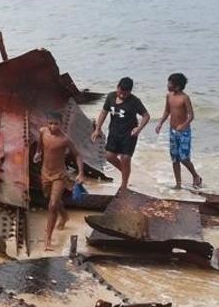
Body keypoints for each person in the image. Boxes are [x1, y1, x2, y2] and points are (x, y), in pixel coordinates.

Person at [33, 112, 86, 252]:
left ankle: (48, 239)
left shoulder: (65, 140)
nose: (53, 126)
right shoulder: (43, 132)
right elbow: (40, 145)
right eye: (50, 123)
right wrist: (38, 153)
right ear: (47, 123)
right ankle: (64, 215)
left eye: (56, 124)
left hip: (59, 175)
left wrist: (81, 172)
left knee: (52, 205)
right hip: (45, 173)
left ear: (61, 124)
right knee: (53, 200)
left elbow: (78, 155)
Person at [91, 77, 149, 188]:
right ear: (117, 87)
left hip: (129, 134)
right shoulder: (111, 96)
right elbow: (104, 112)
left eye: (125, 94)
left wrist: (139, 128)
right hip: (114, 132)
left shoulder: (134, 101)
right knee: (108, 156)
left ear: (130, 92)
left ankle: (124, 184)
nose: (122, 95)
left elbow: (146, 116)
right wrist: (97, 129)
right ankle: (125, 172)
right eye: (120, 92)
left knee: (125, 158)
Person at [155, 72, 202, 189]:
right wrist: (160, 123)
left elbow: (191, 115)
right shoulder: (169, 96)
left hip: (184, 131)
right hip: (172, 130)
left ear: (177, 86)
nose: (168, 85)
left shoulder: (185, 98)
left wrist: (184, 124)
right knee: (174, 158)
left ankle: (196, 176)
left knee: (184, 158)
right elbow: (167, 111)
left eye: (170, 83)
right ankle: (178, 184)